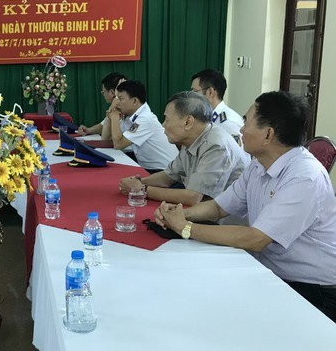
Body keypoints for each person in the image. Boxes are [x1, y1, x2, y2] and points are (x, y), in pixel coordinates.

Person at [155, 91, 336, 322]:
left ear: (268, 134)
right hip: (269, 271)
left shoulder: (304, 177)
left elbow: (256, 239)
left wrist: (186, 227)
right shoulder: (258, 165)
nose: (241, 129)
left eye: (246, 122)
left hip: (311, 290)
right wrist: (179, 214)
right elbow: (219, 207)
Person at [119, 91, 248, 205]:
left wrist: (141, 189)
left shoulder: (216, 146)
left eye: (167, 119)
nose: (163, 125)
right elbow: (168, 177)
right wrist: (138, 182)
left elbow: (193, 197)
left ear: (188, 122)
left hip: (223, 221)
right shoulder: (191, 139)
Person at [105, 80, 178, 172]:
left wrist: (114, 117)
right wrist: (112, 112)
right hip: (149, 168)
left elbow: (118, 144)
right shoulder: (130, 116)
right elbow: (106, 138)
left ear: (134, 101)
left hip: (165, 171)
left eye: (120, 99)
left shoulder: (145, 119)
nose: (117, 103)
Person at [191, 69, 244, 142]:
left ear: (210, 92)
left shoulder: (229, 123)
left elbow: (237, 149)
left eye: (194, 92)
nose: (191, 97)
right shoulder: (207, 118)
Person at [78, 72, 127, 136]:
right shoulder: (116, 107)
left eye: (103, 92)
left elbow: (105, 137)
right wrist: (88, 130)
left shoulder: (126, 109)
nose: (103, 94)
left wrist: (113, 104)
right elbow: (103, 125)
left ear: (112, 92)